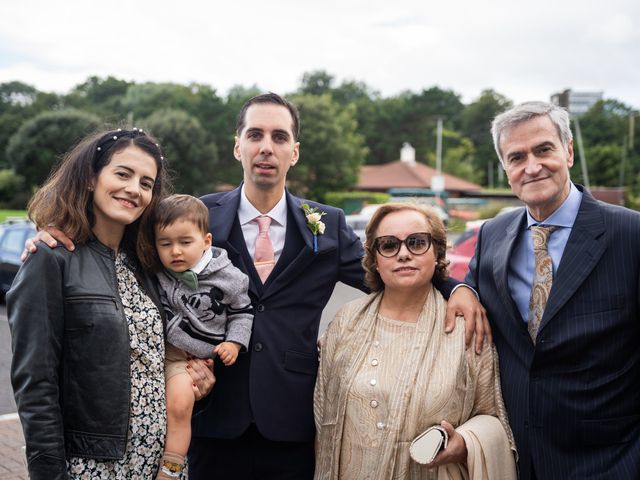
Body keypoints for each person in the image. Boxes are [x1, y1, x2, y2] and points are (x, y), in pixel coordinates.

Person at [23, 93, 487, 479]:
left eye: (279, 137)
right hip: (208, 414)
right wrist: (53, 232)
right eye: (255, 135)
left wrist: (457, 287)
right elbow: (124, 246)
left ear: (294, 152)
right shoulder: (194, 217)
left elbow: (387, 269)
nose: (267, 146)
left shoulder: (326, 224)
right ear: (238, 147)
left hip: (290, 419)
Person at [8, 128, 213, 480]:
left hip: (161, 466)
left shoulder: (149, 264)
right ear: (90, 178)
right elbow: (35, 384)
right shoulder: (51, 258)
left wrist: (199, 386)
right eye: (123, 173)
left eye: (146, 183)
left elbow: (156, 363)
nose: (134, 189)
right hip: (92, 466)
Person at [449, 101, 640, 479]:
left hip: (610, 459)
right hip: (518, 456)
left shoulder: (630, 235)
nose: (532, 166)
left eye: (543, 149)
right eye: (516, 157)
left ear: (568, 151)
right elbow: (468, 283)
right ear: (505, 169)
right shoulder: (492, 235)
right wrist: (461, 289)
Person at [314, 203, 516, 479]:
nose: (404, 254)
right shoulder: (346, 322)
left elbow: (492, 414)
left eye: (417, 242)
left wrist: (465, 444)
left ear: (437, 253)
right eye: (388, 245)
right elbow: (321, 415)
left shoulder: (465, 327)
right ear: (374, 258)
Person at [153, 194, 253, 479]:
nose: (175, 252)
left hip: (189, 358)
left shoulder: (229, 277)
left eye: (185, 242)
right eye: (165, 244)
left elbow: (242, 313)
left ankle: (171, 468)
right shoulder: (157, 271)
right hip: (159, 348)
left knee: (180, 403)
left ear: (206, 241)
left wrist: (234, 342)